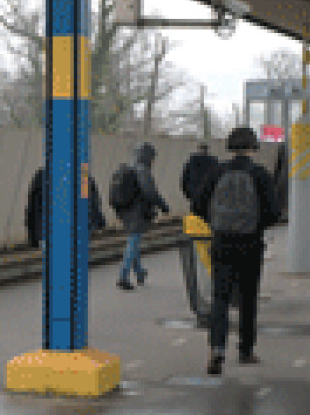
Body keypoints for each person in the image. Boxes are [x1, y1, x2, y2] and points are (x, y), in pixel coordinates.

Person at [192, 126, 281, 375]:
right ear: (253, 147)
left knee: (220, 298)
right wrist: (255, 226)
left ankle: (217, 349)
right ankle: (245, 349)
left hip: (221, 242)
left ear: (230, 147)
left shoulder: (217, 171)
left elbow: (197, 204)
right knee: (248, 297)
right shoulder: (259, 174)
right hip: (250, 244)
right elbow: (273, 212)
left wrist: (216, 223)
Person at [111, 142, 171, 291]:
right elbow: (150, 192)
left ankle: (139, 272)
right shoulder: (142, 170)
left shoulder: (126, 168)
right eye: (152, 157)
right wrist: (163, 206)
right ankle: (123, 276)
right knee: (133, 241)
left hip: (125, 211)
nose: (153, 161)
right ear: (147, 156)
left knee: (134, 240)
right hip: (137, 211)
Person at [25, 167, 105, 249]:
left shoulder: (43, 176)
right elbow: (90, 202)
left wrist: (33, 238)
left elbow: (33, 209)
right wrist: (98, 224)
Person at [180, 143, 219, 207]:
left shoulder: (191, 162)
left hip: (195, 196)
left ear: (198, 149)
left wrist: (188, 194)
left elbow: (184, 179)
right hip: (209, 196)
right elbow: (218, 178)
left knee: (196, 215)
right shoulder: (214, 162)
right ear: (207, 150)